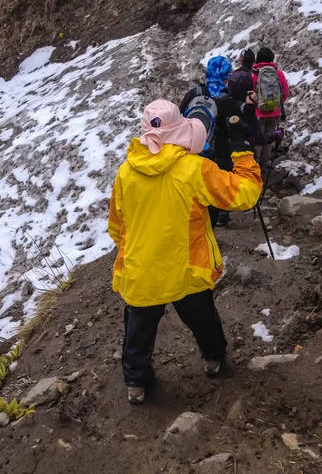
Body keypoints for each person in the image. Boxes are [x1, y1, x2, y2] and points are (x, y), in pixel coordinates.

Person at [108, 99, 262, 404]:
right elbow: (246, 195)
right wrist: (243, 150)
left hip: (141, 270)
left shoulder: (126, 172)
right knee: (202, 317)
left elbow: (116, 225)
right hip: (186, 267)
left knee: (139, 328)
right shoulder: (195, 169)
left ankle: (136, 385)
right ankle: (213, 360)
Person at [180, 56, 255, 227]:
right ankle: (218, 215)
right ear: (227, 76)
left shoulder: (195, 93)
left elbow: (180, 115)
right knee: (216, 182)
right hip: (220, 149)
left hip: (194, 148)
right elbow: (242, 127)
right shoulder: (227, 100)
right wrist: (249, 107)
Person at [252, 47, 289, 168]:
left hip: (258, 113)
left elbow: (251, 93)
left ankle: (255, 166)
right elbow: (285, 92)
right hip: (275, 113)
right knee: (270, 138)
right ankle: (265, 163)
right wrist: (277, 105)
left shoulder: (255, 74)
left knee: (258, 140)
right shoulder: (278, 73)